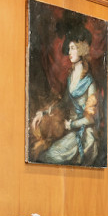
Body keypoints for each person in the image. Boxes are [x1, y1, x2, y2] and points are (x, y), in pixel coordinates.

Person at [34, 28, 100, 165]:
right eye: (69, 49)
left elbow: (91, 118)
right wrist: (43, 113)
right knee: (45, 155)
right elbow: (64, 103)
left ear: (81, 49)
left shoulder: (89, 82)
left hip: (84, 136)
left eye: (73, 48)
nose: (69, 52)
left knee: (49, 157)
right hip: (71, 131)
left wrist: (72, 124)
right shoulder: (70, 77)